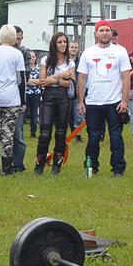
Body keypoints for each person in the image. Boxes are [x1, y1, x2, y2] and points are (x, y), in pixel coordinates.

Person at [77, 20, 131, 177]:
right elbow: (81, 78)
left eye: (108, 30)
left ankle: (118, 169)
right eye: (102, 30)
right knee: (93, 137)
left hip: (114, 102)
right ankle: (91, 167)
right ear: (96, 34)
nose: (105, 33)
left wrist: (124, 100)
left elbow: (126, 77)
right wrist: (81, 101)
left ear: (111, 33)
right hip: (93, 102)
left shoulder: (120, 52)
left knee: (116, 137)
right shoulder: (88, 53)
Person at [0, 25, 27, 175]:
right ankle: (7, 168)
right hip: (11, 98)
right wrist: (23, 101)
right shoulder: (17, 54)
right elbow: (21, 80)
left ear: (0, 36)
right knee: (8, 134)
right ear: (14, 37)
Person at [33, 32, 75, 176]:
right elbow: (42, 82)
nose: (63, 44)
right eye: (60, 42)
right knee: (44, 133)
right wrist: (60, 76)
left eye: (65, 42)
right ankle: (39, 166)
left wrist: (55, 80)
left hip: (64, 98)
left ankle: (56, 167)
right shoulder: (46, 60)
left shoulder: (70, 62)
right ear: (54, 44)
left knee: (61, 133)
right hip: (48, 98)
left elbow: (68, 83)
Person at [10, 26, 32, 173]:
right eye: (16, 38)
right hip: (3, 96)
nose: (18, 41)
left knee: (18, 132)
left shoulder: (24, 52)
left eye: (20, 38)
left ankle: (18, 164)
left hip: (18, 96)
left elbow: (26, 75)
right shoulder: (0, 51)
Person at [68, 40, 83, 143]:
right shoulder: (65, 61)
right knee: (67, 114)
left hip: (78, 90)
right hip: (66, 89)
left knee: (78, 114)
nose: (73, 49)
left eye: (75, 48)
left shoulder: (81, 62)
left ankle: (78, 136)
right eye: (72, 47)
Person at [25, 51, 42, 138]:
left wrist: (30, 81)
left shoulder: (39, 69)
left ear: (36, 58)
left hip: (36, 94)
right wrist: (35, 82)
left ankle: (33, 133)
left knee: (34, 113)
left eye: (33, 56)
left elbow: (41, 81)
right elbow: (24, 81)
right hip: (26, 93)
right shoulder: (25, 69)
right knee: (23, 112)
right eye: (30, 57)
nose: (32, 58)